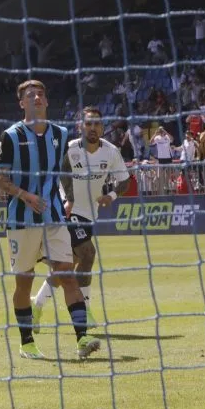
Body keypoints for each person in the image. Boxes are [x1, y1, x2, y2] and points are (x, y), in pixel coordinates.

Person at [0, 80, 97, 360]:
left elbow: (64, 167)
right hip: (21, 220)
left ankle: (82, 338)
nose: (36, 97)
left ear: (46, 101)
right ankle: (27, 342)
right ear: (22, 103)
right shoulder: (11, 136)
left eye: (40, 94)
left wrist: (69, 196)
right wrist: (25, 195)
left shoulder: (61, 134)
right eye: (30, 95)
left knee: (66, 274)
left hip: (53, 217)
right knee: (24, 282)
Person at [31, 107, 129, 336]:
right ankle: (84, 310)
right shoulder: (70, 147)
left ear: (102, 127)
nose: (92, 128)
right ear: (80, 127)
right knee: (88, 253)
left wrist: (111, 195)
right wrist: (68, 199)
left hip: (89, 215)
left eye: (96, 124)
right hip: (66, 209)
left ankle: (37, 305)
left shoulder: (111, 152)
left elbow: (124, 180)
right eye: (88, 124)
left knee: (68, 264)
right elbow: (62, 172)